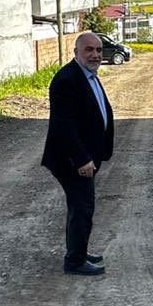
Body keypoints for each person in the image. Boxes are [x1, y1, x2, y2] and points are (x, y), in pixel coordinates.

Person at [41, 32, 116, 276]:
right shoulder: (68, 79)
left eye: (98, 50)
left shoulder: (87, 75)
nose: (95, 54)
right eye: (89, 50)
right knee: (82, 208)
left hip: (84, 157)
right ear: (76, 52)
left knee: (82, 206)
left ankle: (78, 252)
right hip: (72, 160)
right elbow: (64, 125)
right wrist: (81, 159)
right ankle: (75, 261)